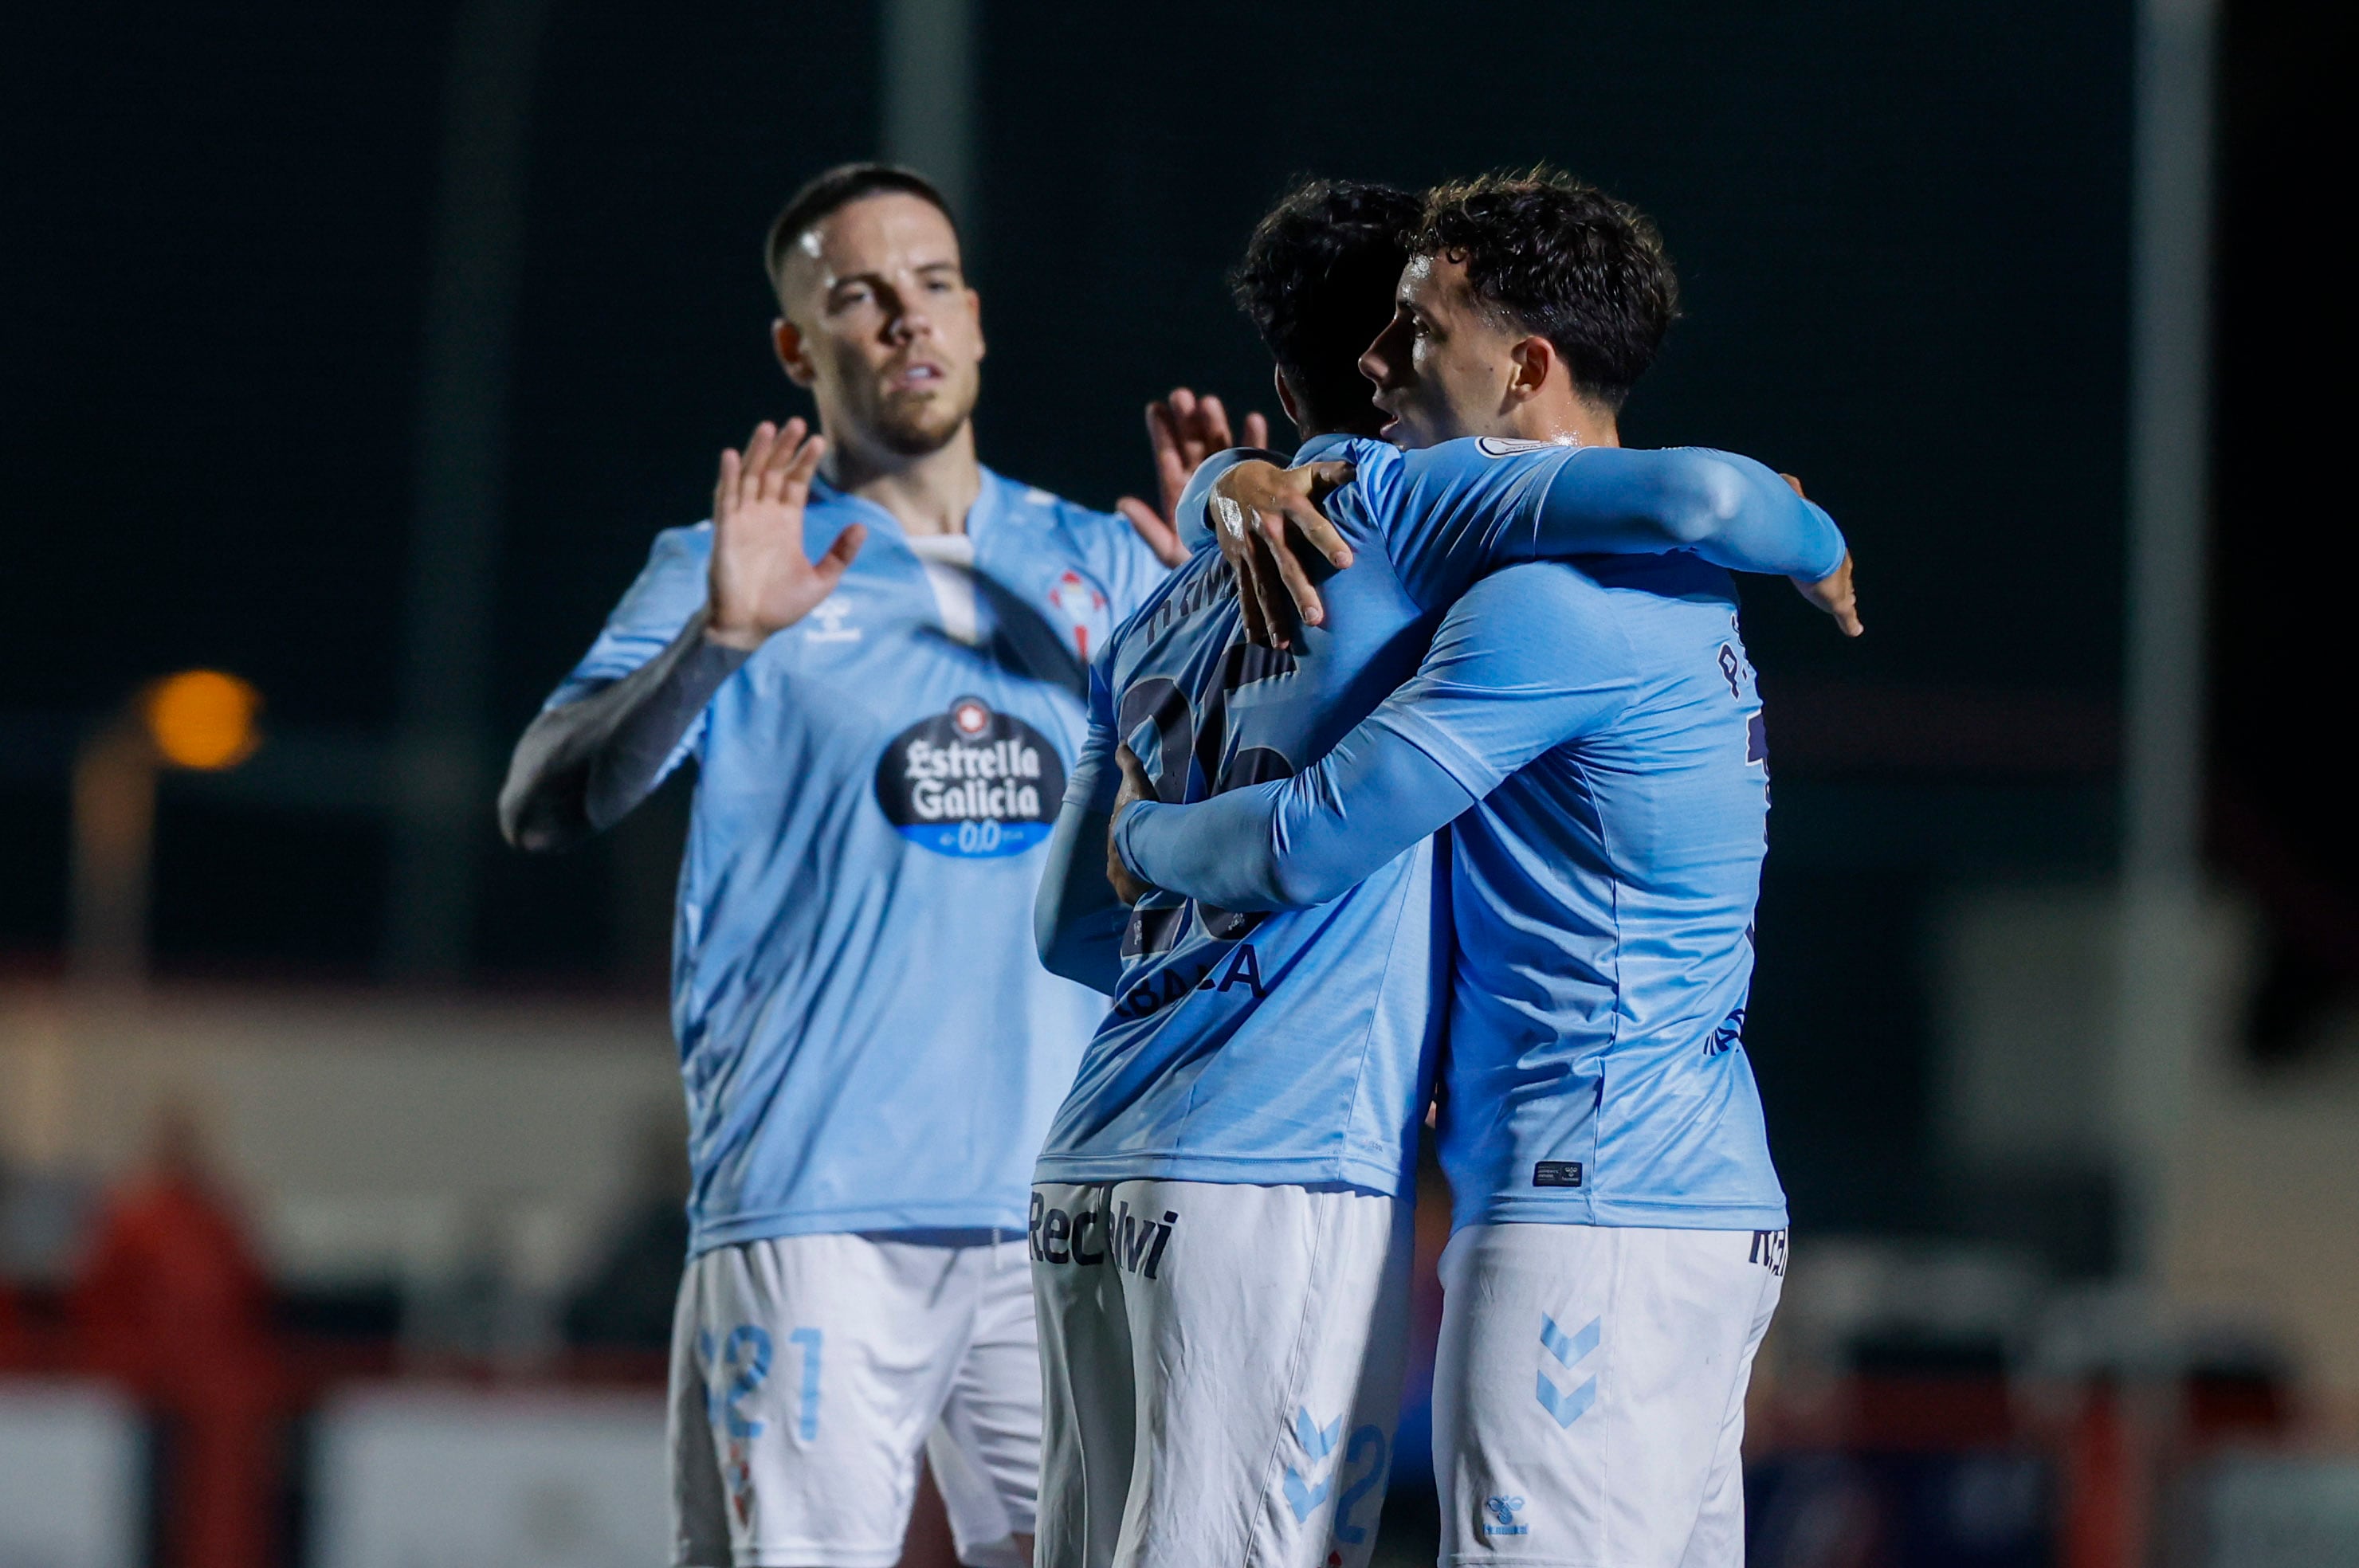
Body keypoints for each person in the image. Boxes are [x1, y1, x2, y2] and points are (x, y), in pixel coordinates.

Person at [1030, 177, 1851, 1568]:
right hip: (1547, 1178)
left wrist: (1150, 844)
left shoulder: (1537, 595)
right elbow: (1709, 497)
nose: (1382, 368)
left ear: (1518, 364)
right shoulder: (1544, 564)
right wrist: (1810, 534)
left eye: (1414, 334)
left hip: (1569, 1197)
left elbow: (1094, 920)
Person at [499, 163, 1197, 1568]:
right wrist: (720, 644)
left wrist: (1217, 641)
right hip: (818, 1205)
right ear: (796, 346)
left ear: (979, 321)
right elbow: (542, 800)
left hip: (1055, 1204)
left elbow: (1233, 842)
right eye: (859, 297)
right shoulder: (731, 563)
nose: (904, 320)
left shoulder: (1105, 564)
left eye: (932, 284)